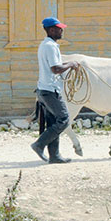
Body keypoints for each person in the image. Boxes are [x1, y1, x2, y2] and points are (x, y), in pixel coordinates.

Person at [31, 17, 80, 164]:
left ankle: (54, 156)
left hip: (44, 89)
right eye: (59, 29)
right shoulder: (51, 47)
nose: (61, 31)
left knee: (53, 121)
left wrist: (69, 63)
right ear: (51, 30)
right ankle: (39, 144)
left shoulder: (45, 45)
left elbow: (55, 65)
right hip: (50, 90)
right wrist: (71, 64)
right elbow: (56, 69)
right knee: (64, 119)